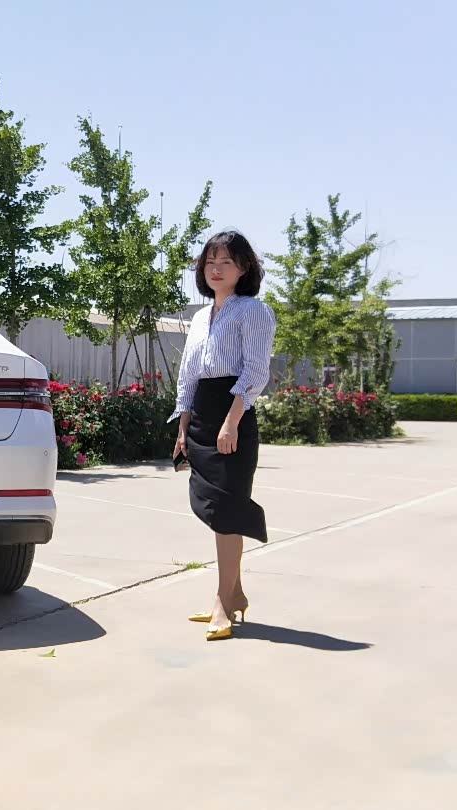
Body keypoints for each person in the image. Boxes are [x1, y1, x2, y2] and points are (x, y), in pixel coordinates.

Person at [170, 230, 277, 641]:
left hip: (233, 413)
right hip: (201, 416)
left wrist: (232, 421)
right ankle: (236, 594)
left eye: (226, 262)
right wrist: (183, 426)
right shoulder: (200, 317)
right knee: (216, 511)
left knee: (226, 510)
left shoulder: (253, 310)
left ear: (244, 268)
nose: (215, 269)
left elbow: (255, 371)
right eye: (209, 262)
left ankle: (222, 600)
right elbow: (188, 375)